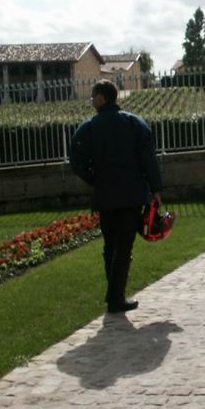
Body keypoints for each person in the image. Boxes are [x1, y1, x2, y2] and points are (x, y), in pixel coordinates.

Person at [69, 79, 162, 314]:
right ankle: (116, 298)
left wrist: (93, 178)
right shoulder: (135, 123)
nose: (91, 100)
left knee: (110, 245)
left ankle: (115, 296)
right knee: (124, 245)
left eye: (93, 96)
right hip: (132, 195)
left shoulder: (89, 128)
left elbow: (76, 160)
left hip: (106, 195)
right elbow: (148, 160)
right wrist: (156, 189)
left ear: (101, 98)